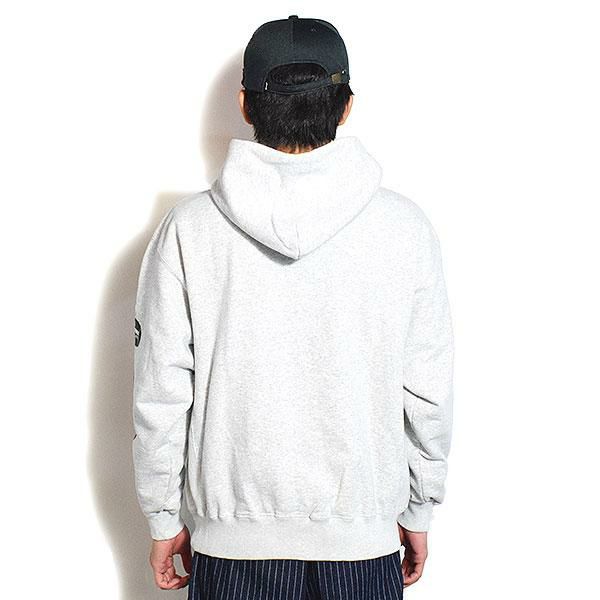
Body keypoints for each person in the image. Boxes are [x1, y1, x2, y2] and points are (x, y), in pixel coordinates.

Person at [132, 14, 454, 599]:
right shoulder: (405, 230)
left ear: (245, 105)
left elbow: (161, 391)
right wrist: (419, 507)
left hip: (232, 552)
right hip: (362, 547)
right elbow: (427, 389)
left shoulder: (188, 231)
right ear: (346, 106)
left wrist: (162, 517)